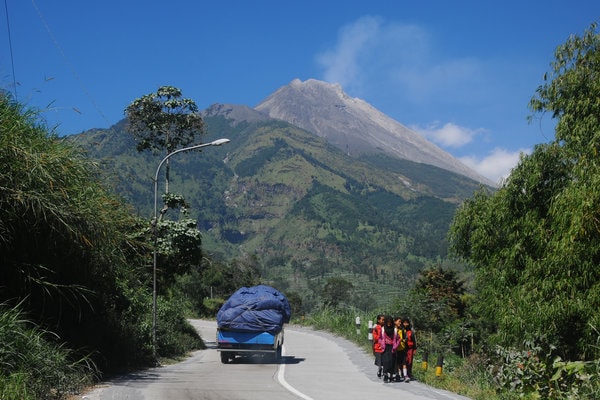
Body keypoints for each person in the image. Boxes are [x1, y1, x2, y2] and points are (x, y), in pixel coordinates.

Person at [377, 315, 400, 382]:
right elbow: (379, 338)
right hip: (385, 347)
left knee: (392, 362)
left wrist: (396, 346)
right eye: (387, 322)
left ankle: (391, 376)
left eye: (390, 322)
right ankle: (385, 375)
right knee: (386, 362)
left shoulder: (395, 330)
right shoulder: (383, 329)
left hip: (392, 348)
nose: (389, 324)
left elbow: (398, 339)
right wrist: (381, 344)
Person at [402, 317, 417, 382]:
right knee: (404, 361)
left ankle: (409, 373)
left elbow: (414, 340)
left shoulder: (411, 331)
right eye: (404, 323)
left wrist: (415, 349)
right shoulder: (401, 330)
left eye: (407, 323)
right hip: (403, 348)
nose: (406, 324)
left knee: (410, 361)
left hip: (410, 349)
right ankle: (404, 374)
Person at [393, 316, 407, 382]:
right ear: (395, 322)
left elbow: (405, 339)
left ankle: (405, 375)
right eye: (399, 321)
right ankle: (398, 374)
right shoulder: (393, 330)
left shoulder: (403, 330)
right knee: (397, 363)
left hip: (402, 348)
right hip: (395, 349)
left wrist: (402, 340)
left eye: (400, 322)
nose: (400, 323)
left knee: (404, 362)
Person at [372, 314, 385, 378]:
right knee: (379, 360)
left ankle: (384, 371)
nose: (383, 321)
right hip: (378, 347)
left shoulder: (385, 327)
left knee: (384, 359)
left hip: (385, 347)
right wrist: (380, 335)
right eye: (382, 320)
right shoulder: (376, 328)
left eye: (384, 320)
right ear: (378, 320)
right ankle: (379, 369)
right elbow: (375, 338)